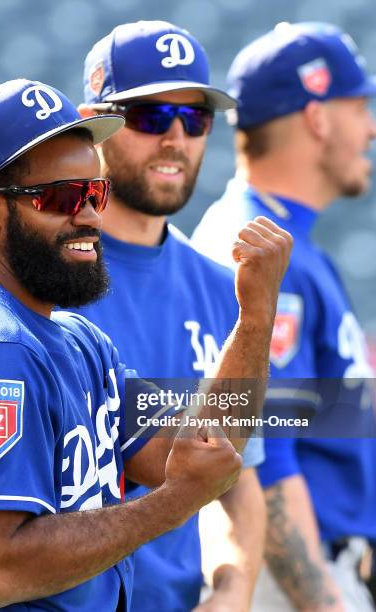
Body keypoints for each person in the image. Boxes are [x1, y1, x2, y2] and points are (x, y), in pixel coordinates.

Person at [0, 78, 291, 610]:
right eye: (60, 197)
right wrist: (170, 505)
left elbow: (199, 451)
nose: (90, 215)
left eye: (95, 191)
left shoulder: (78, 339)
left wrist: (256, 317)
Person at [73, 20, 267, 611]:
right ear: (93, 123)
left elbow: (239, 476)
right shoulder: (36, 272)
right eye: (151, 116)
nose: (175, 139)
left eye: (195, 119)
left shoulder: (221, 287)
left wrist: (232, 591)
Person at [192, 22, 376, 612]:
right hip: (290, 579)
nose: (370, 128)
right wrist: (326, 600)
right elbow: (261, 452)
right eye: (359, 107)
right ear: (318, 117)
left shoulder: (281, 235)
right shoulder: (256, 243)